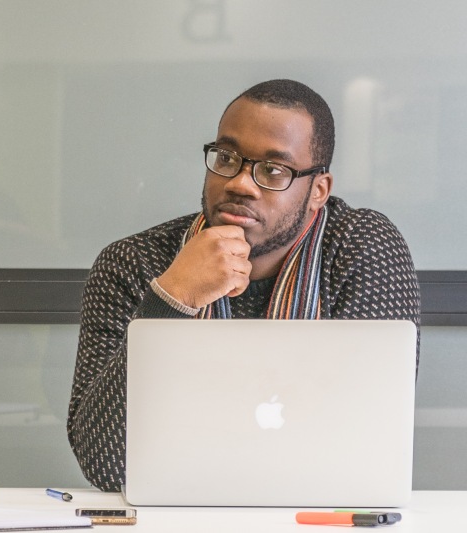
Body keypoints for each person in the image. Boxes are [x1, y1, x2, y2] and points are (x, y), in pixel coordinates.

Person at [67, 79, 421, 492]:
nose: (239, 183)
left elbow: (363, 444)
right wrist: (172, 299)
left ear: (318, 190)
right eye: (227, 157)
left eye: (274, 170)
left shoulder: (360, 247)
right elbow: (105, 464)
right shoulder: (133, 263)